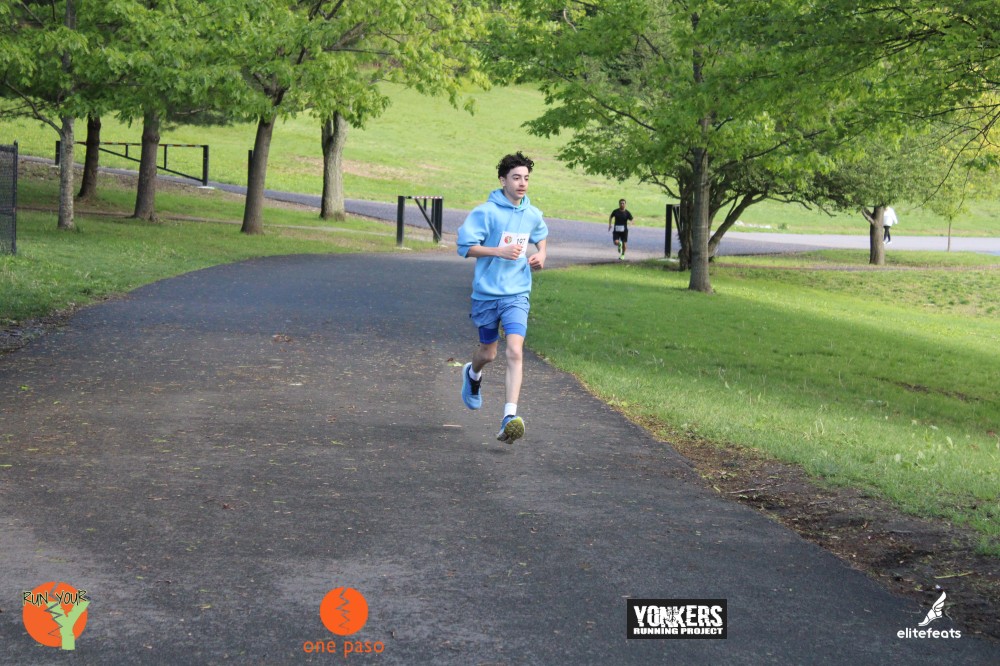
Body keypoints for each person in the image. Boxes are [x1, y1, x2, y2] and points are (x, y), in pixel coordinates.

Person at [457, 152, 548, 443]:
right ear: (503, 180)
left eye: (526, 178)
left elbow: (541, 234)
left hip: (517, 293)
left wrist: (542, 253)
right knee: (488, 353)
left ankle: (509, 416)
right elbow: (464, 246)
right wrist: (498, 251)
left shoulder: (531, 213)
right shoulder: (486, 212)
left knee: (515, 351)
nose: (522, 183)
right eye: (516, 178)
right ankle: (472, 375)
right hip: (486, 294)